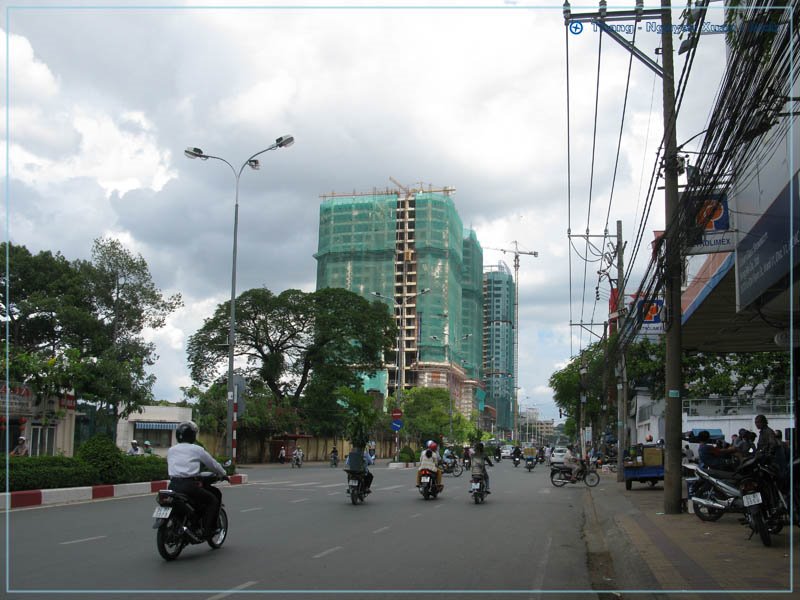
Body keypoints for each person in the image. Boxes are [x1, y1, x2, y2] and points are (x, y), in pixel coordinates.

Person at [167, 421, 228, 541]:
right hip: (189, 486)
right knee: (213, 500)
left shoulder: (171, 450)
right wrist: (224, 473)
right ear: (192, 435)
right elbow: (213, 464)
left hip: (173, 485)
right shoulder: (197, 449)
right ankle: (206, 530)